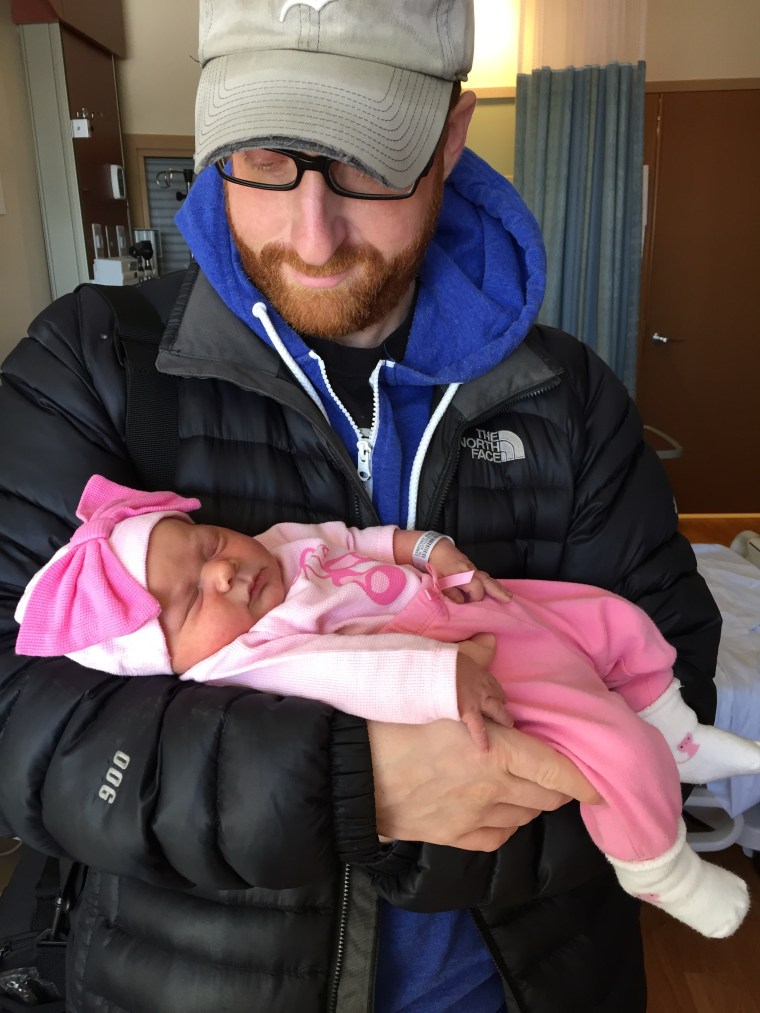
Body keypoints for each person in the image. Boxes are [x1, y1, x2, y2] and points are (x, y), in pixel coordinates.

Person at [0, 0, 722, 1009]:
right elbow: (16, 714)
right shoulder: (94, 366)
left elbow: (667, 685)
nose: (313, 229)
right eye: (262, 154)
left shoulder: (568, 397)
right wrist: (349, 786)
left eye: (367, 160)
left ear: (450, 133)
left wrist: (457, 810)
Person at [17, 474, 754, 941]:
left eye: (208, 542)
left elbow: (347, 538)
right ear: (172, 661)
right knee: (612, 750)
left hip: (481, 604)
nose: (225, 571)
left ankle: (680, 732)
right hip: (478, 670)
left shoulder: (276, 547)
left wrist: (423, 545)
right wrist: (441, 679)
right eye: (187, 602)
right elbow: (349, 674)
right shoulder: (247, 654)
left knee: (613, 617)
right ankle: (658, 864)